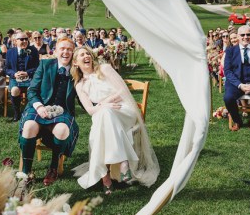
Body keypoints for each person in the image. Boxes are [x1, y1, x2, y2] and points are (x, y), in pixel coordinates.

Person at [71, 47, 160, 194]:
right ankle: (123, 163)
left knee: (102, 119)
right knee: (104, 114)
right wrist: (103, 106)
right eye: (82, 55)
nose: (86, 56)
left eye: (88, 53)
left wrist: (105, 102)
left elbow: (123, 90)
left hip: (123, 109)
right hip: (105, 114)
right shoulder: (79, 85)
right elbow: (90, 110)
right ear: (75, 62)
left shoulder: (104, 68)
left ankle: (105, 178)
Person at [18, 37, 79, 187]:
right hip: (39, 107)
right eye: (62, 48)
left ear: (73, 52)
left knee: (62, 130)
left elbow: (85, 95)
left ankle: (53, 168)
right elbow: (32, 90)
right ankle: (27, 172)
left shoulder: (77, 70)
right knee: (29, 126)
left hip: (62, 112)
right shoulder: (45, 65)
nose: (65, 52)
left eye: (69, 49)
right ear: (55, 51)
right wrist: (39, 107)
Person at [223, 25, 250, 132]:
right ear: (237, 36)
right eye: (242, 35)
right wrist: (240, 85)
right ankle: (237, 120)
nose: (245, 37)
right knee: (228, 98)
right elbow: (227, 72)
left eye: (248, 34)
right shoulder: (230, 51)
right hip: (236, 85)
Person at [5, 32, 40, 122]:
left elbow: (37, 67)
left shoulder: (33, 50)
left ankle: (30, 112)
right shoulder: (10, 52)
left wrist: (27, 73)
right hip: (15, 78)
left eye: (26, 39)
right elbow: (7, 69)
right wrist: (14, 74)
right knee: (14, 90)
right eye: (22, 39)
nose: (24, 41)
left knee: (31, 90)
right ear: (15, 41)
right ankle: (17, 113)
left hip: (29, 77)